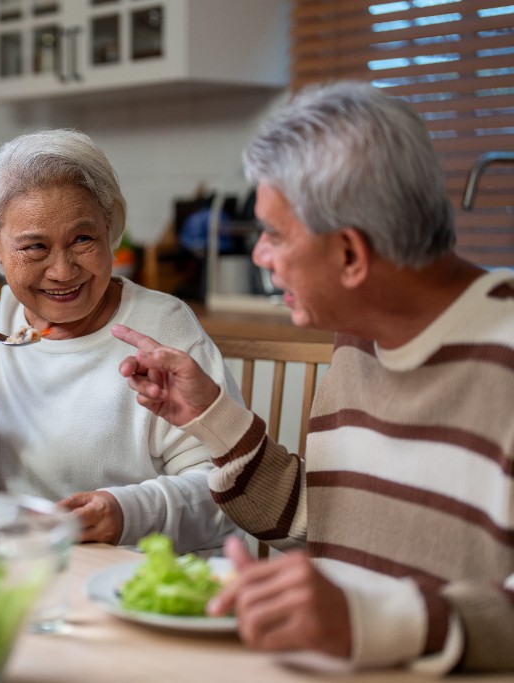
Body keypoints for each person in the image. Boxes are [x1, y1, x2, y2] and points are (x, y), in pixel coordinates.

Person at [114, 81, 514, 673]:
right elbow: (320, 523)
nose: (259, 256)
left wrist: (367, 620)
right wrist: (213, 419)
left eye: (274, 234)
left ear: (351, 254)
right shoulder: (359, 339)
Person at [0, 128, 240, 550]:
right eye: (34, 247)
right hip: (30, 579)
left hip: (148, 585)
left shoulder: (162, 329)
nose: (63, 271)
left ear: (109, 225)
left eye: (82, 239)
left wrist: (127, 513)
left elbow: (225, 493)